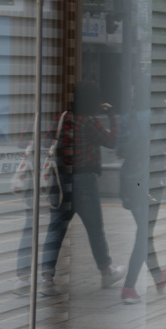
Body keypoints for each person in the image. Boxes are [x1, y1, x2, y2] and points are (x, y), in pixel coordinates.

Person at [39, 81, 124, 295]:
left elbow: (46, 140)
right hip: (84, 180)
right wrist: (112, 115)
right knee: (95, 229)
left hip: (61, 180)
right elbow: (111, 142)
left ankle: (47, 279)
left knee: (55, 229)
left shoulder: (63, 118)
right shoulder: (89, 122)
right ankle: (106, 272)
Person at [117, 99, 166, 304]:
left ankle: (158, 276)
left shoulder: (127, 117)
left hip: (129, 180)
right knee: (144, 234)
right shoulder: (163, 117)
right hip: (151, 181)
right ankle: (129, 286)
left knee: (144, 232)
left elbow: (120, 151)